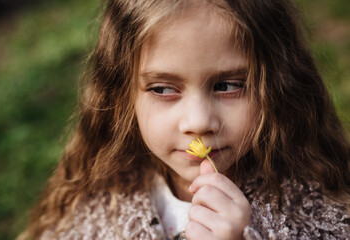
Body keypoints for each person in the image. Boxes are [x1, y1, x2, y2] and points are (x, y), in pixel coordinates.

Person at [18, 0, 350, 239]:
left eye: (228, 85)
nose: (199, 122)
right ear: (121, 97)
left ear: (278, 86)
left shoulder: (320, 206)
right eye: (163, 89)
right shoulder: (97, 207)